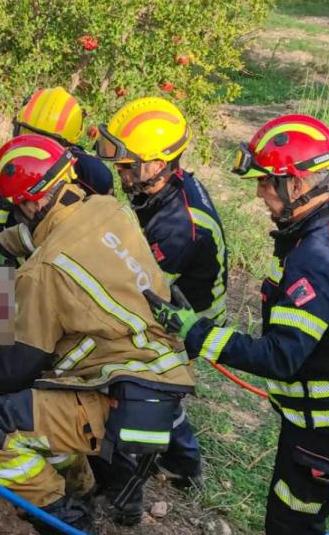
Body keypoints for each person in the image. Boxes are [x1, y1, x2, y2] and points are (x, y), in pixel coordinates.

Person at [143, 115, 329, 535]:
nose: (259, 192)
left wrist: (195, 332)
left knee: (291, 520)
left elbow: (279, 358)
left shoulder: (314, 258)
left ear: (295, 185)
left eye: (265, 181)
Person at [0, 134, 196, 534]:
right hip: (163, 378)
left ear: (30, 203)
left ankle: (67, 521)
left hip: (117, 395)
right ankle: (81, 490)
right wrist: (1, 244)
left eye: (17, 208)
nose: (17, 216)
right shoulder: (110, 208)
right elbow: (52, 230)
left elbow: (20, 362)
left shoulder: (43, 271)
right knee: (46, 402)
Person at [95, 96, 230, 489]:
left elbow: (140, 287)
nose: (121, 173)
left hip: (187, 318)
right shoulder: (160, 190)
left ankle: (174, 466)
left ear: (156, 164)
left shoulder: (178, 227)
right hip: (172, 296)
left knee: (146, 384)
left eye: (128, 166)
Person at [0, 87, 113, 265]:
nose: (33, 152)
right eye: (27, 137)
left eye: (44, 143)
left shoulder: (93, 177)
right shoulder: (5, 176)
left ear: (68, 146)